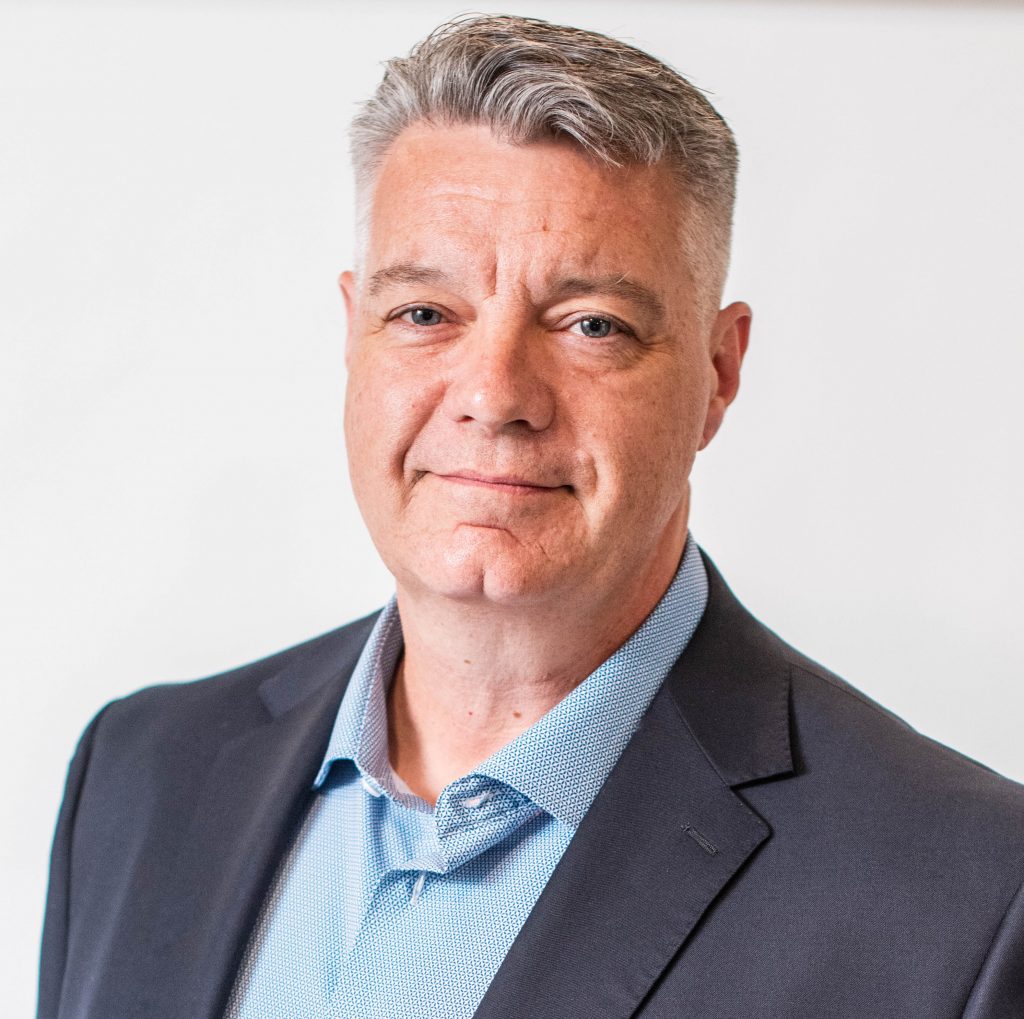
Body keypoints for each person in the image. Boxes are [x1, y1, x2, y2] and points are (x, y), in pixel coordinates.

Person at [38, 14, 1024, 1019]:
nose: (495, 392)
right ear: (352, 333)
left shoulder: (966, 898)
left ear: (719, 374)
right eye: (425, 312)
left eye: (591, 324)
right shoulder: (139, 772)